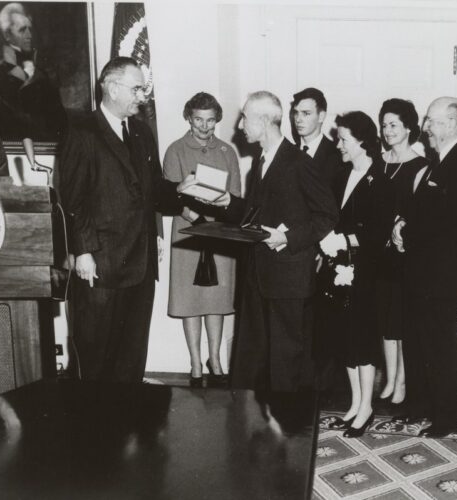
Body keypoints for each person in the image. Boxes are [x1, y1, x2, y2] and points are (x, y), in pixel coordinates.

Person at [59, 57, 184, 382]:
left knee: (131, 357)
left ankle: (125, 424)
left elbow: (154, 190)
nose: (142, 95)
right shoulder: (81, 130)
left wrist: (184, 190)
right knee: (96, 357)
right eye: (136, 88)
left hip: (139, 266)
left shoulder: (141, 132)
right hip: (101, 264)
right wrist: (83, 251)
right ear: (113, 88)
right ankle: (91, 431)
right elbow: (74, 198)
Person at [210, 90, 338, 392]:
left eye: (245, 118)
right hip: (259, 274)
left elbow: (328, 214)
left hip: (288, 276)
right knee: (255, 357)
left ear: (264, 121)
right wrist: (226, 201)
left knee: (286, 361)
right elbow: (254, 215)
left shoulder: (297, 162)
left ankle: (288, 429)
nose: (241, 125)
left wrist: (288, 237)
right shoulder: (262, 162)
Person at [392, 97, 457, 438]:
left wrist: (410, 232)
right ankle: (426, 408)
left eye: (431, 120)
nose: (426, 127)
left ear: (449, 124)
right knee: (424, 341)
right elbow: (424, 209)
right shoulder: (440, 160)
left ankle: (447, 419)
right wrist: (402, 224)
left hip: (441, 275)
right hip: (425, 272)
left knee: (440, 344)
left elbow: (452, 222)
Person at [318, 111, 394, 437]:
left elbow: (378, 234)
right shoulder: (340, 175)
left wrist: (345, 239)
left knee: (363, 337)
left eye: (344, 139)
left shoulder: (382, 181)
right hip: (340, 268)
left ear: (362, 141)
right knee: (344, 334)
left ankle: (367, 407)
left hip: (367, 271)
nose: (339, 145)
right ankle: (354, 402)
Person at [163, 92, 240, 387]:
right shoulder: (175, 150)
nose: (204, 127)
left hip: (220, 233)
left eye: (210, 121)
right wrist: (196, 220)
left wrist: (218, 221)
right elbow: (172, 195)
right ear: (188, 118)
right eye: (198, 120)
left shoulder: (227, 151)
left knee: (216, 300)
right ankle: (195, 363)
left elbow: (235, 195)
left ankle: (215, 359)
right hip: (188, 233)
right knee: (191, 300)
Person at [375, 98, 428, 405]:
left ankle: (403, 381)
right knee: (385, 319)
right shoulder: (378, 163)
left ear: (409, 127)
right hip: (379, 255)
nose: (388, 130)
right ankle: (390, 376)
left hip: (404, 254)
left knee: (402, 320)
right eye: (384, 125)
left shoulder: (421, 166)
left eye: (394, 124)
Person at [0, 2, 66, 142]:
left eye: (30, 29)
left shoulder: (45, 72)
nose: (29, 35)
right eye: (22, 30)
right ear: (7, 35)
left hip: (46, 146)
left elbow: (59, 119)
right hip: (12, 150)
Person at [291, 87, 345, 186]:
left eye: (306, 113)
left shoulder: (337, 156)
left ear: (321, 116)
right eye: (296, 113)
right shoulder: (287, 153)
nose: (298, 119)